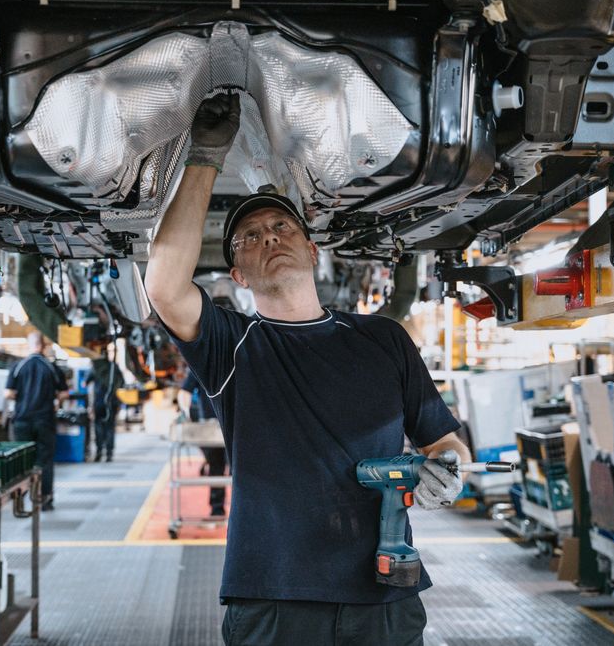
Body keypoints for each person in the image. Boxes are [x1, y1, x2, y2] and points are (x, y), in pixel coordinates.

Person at [144, 92, 471, 646]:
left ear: (313, 250)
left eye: (281, 227)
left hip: (385, 596)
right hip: (275, 598)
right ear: (239, 275)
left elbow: (446, 444)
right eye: (249, 238)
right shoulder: (233, 345)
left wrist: (449, 476)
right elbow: (164, 287)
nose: (269, 236)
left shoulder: (383, 338)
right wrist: (204, 155)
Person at [5, 331, 69, 511]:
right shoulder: (51, 367)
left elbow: (8, 393)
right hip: (45, 420)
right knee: (45, 460)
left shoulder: (18, 366)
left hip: (22, 421)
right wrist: (56, 403)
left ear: (29, 345)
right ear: (44, 346)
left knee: (22, 461)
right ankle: (46, 500)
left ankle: (19, 500)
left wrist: (21, 396)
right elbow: (64, 393)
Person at [177, 369, 228, 516]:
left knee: (223, 467)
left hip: (230, 424)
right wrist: (185, 414)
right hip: (212, 427)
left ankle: (222, 509)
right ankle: (217, 508)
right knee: (217, 466)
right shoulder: (203, 364)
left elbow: (185, 392)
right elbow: (185, 392)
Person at [87, 350, 125, 462]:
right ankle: (109, 453)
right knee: (110, 427)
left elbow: (85, 382)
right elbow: (121, 382)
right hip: (112, 402)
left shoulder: (95, 368)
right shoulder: (114, 367)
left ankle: (99, 452)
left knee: (98, 427)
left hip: (98, 402)